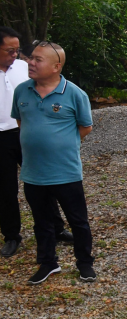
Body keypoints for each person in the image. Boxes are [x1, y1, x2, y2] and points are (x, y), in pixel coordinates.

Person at [11, 41, 95, 285]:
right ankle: (48, 263)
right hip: (33, 172)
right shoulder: (22, 91)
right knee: (42, 222)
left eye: (38, 59)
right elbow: (21, 122)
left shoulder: (75, 94)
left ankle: (85, 263)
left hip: (65, 172)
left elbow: (85, 127)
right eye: (31, 58)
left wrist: (60, 144)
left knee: (78, 221)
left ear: (56, 66)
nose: (30, 62)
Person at [0, 28, 72, 258]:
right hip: (1, 138)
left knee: (45, 182)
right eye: (10, 50)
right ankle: (11, 235)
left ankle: (56, 228)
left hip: (27, 133)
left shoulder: (24, 68)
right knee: (5, 189)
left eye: (17, 50)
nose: (15, 54)